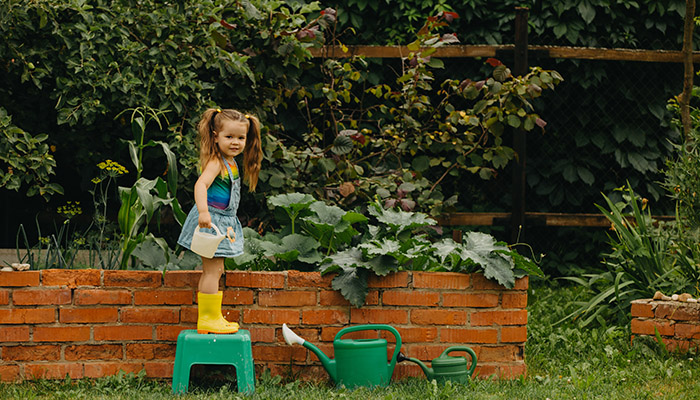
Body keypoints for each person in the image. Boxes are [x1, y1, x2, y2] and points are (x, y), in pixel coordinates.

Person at [177, 108, 262, 334]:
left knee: (216, 271)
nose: (235, 142)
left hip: (223, 221)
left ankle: (213, 316)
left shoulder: (231, 162)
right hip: (211, 221)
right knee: (212, 272)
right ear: (216, 136)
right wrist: (203, 212)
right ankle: (207, 319)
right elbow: (201, 185)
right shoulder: (217, 162)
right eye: (229, 137)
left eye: (240, 138)